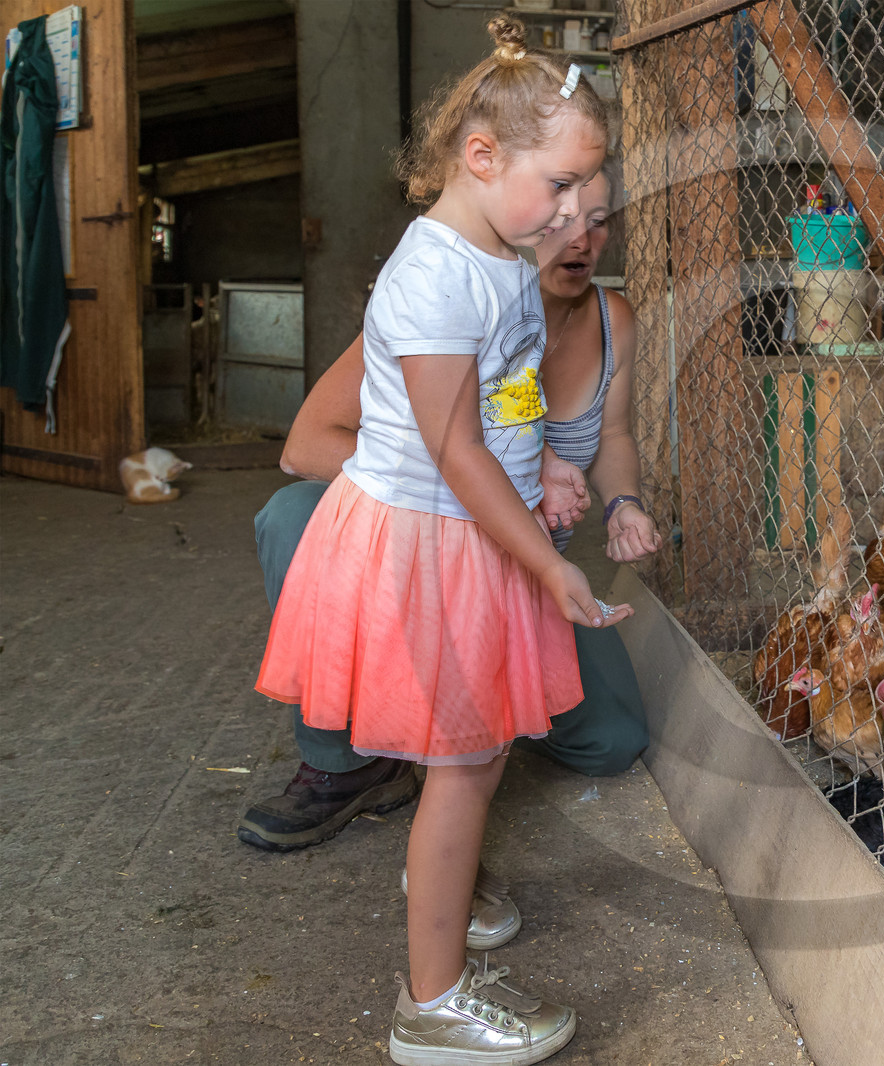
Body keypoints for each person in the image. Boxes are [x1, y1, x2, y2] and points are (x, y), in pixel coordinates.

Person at [255, 20, 630, 1063]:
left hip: (472, 532)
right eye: (560, 186)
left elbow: (505, 403)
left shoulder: (504, 254)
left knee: (477, 752)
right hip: (426, 542)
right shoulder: (433, 276)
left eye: (585, 191)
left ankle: (446, 897)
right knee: (463, 760)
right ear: (481, 156)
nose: (574, 214)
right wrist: (546, 560)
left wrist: (545, 467)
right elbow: (455, 449)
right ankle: (432, 1004)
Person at [240, 157, 657, 853]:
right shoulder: (442, 297)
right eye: (561, 213)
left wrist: (622, 504)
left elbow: (608, 435)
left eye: (597, 220)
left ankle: (457, 723)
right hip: (413, 553)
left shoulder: (605, 320)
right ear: (517, 208)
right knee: (292, 514)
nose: (579, 239)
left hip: (525, 574)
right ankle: (348, 762)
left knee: (613, 740)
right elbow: (305, 444)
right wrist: (468, 495)